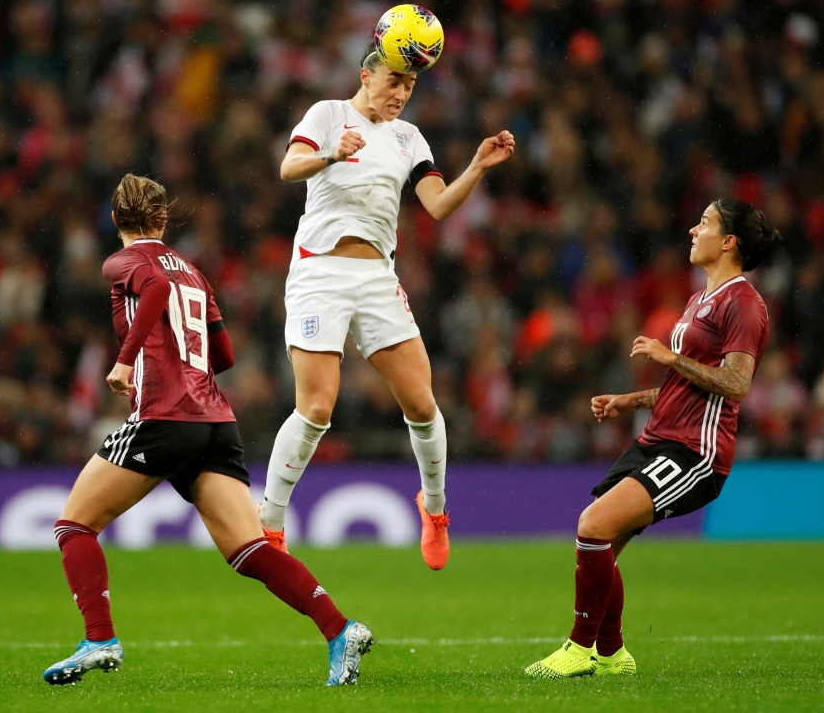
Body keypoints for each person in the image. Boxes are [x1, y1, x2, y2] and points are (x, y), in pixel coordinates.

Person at [42, 175, 373, 687]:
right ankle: (339, 629)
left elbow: (151, 289)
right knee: (250, 549)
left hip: (161, 416)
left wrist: (127, 362)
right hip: (215, 421)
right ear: (164, 218)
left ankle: (100, 639)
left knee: (74, 527)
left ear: (116, 220)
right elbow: (224, 356)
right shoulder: (194, 273)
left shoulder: (124, 263)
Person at [258, 40, 515, 569]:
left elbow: (438, 205)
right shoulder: (328, 114)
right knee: (317, 407)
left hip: (377, 275)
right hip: (319, 271)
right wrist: (332, 153)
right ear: (366, 75)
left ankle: (436, 511)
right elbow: (288, 168)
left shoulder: (408, 137)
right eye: (394, 82)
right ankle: (270, 520)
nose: (401, 94)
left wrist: (477, 167)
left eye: (410, 86)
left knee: (422, 405)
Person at [525, 198, 781, 679]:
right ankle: (613, 656)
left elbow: (736, 383)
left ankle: (579, 650)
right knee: (601, 549)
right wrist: (633, 399)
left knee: (593, 525)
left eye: (703, 223)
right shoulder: (698, 299)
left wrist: (670, 357)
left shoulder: (743, 303)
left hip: (694, 453)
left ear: (729, 242)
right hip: (657, 438)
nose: (692, 229)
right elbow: (688, 384)